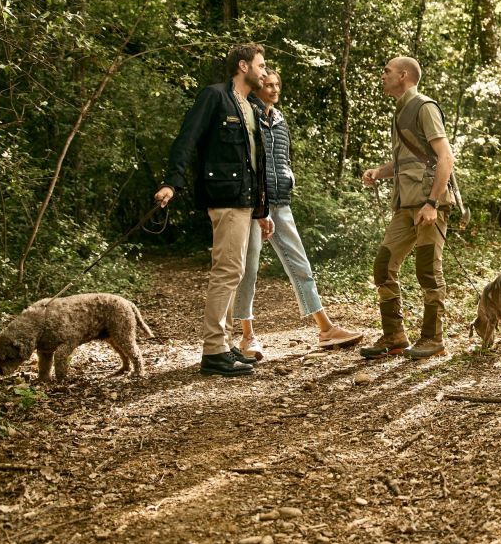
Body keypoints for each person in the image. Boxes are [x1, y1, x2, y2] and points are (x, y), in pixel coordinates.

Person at [154, 43, 274, 377]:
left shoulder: (251, 105)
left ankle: (225, 344)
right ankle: (213, 350)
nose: (264, 72)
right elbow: (186, 139)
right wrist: (171, 183)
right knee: (226, 270)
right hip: (224, 197)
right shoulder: (214, 96)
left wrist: (262, 210)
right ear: (243, 66)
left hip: (246, 200)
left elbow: (256, 162)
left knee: (235, 272)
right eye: (261, 66)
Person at [232, 69, 363, 359]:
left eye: (278, 84)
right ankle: (247, 336)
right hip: (255, 204)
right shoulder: (248, 116)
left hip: (281, 202)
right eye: (268, 84)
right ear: (256, 88)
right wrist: (257, 205)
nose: (275, 89)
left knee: (300, 264)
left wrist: (288, 178)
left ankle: (326, 329)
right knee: (248, 269)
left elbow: (283, 157)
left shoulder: (279, 119)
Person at [360, 56, 455, 360]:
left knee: (427, 269)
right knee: (383, 266)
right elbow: (409, 160)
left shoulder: (424, 106)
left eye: (386, 71)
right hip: (405, 205)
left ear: (403, 75)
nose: (382, 75)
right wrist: (379, 171)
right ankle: (394, 336)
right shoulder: (400, 110)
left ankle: (432, 338)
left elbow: (445, 157)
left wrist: (431, 203)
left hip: (428, 205)